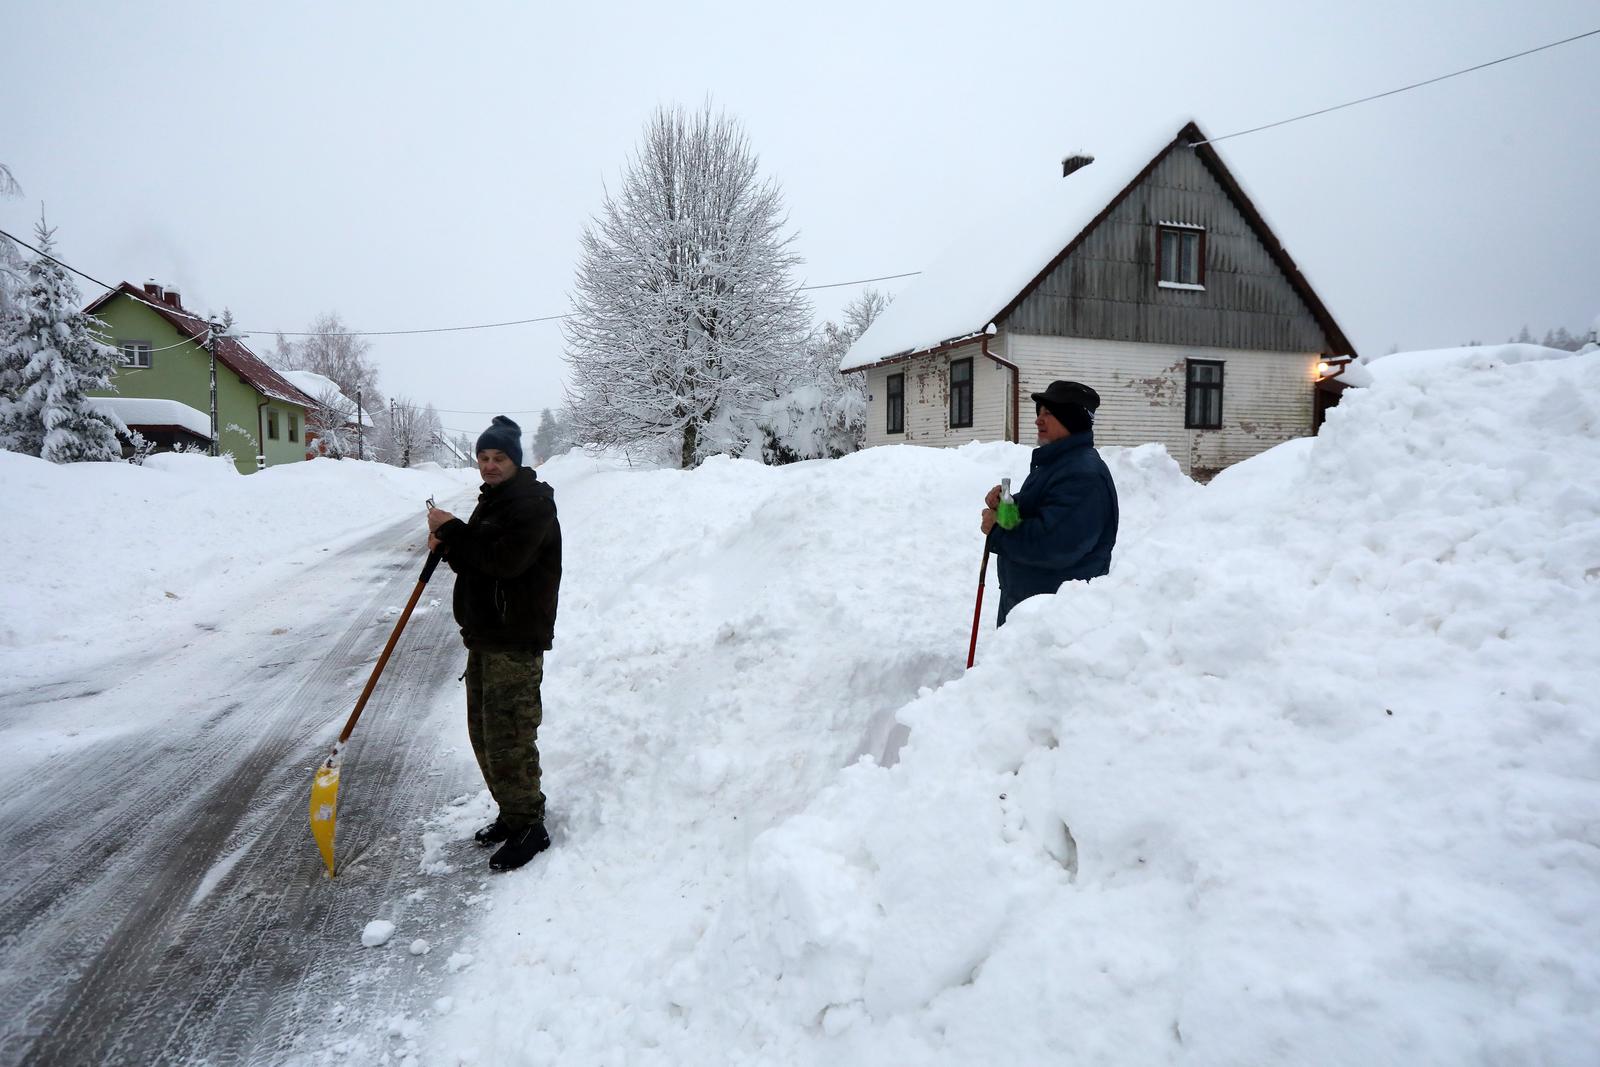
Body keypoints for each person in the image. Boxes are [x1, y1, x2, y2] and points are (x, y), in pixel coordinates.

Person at [426, 415, 561, 872]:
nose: (489, 465)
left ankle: (530, 826)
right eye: (483, 458)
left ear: (515, 460)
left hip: (514, 640)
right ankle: (512, 811)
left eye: (498, 457)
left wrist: (454, 531)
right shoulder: (495, 502)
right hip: (485, 637)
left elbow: (505, 561)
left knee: (510, 737)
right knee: (484, 736)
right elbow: (477, 562)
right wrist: (450, 545)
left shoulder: (532, 504)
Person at [981, 380, 1118, 626]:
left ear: (1072, 420)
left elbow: (1053, 545)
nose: (1038, 420)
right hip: (1031, 605)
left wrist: (997, 531)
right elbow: (1044, 508)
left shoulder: (1083, 475)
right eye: (1039, 412)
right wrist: (1008, 504)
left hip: (1056, 622)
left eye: (1049, 413)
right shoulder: (1058, 463)